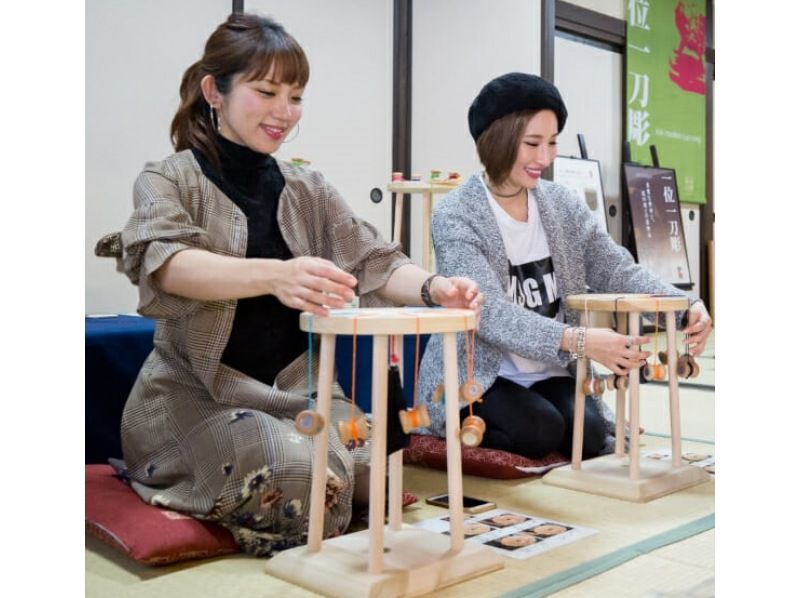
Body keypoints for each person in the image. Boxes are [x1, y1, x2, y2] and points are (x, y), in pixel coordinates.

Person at [115, 13, 482, 557]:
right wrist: (276, 275)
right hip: (199, 391)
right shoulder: (169, 178)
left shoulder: (307, 188)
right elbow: (166, 264)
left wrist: (436, 288)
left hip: (297, 391)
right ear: (214, 90)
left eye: (296, 97)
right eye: (266, 92)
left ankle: (310, 484)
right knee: (300, 476)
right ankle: (184, 476)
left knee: (374, 471)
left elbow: (373, 259)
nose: (284, 113)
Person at [418, 72, 712, 461]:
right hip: (480, 377)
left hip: (549, 370)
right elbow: (488, 315)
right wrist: (581, 341)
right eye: (533, 143)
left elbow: (614, 267)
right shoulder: (457, 213)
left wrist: (681, 304)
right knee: (540, 430)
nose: (545, 158)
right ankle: (449, 426)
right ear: (499, 139)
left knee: (589, 435)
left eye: (553, 143)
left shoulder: (562, 204)